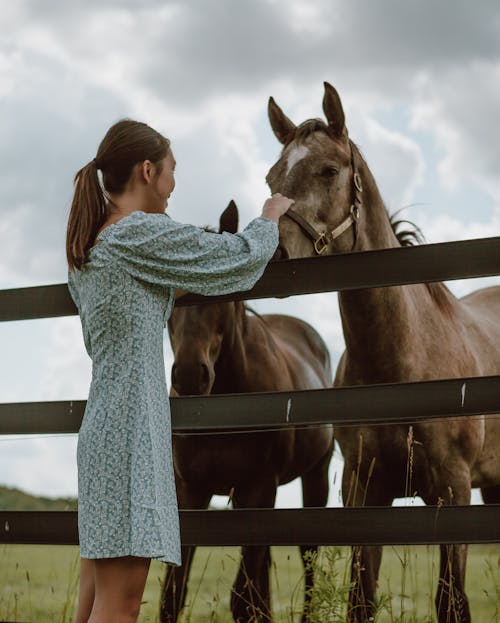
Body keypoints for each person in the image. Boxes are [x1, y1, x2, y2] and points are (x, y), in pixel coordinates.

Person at [65, 118, 293, 623]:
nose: (173, 186)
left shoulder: (93, 247)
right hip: (132, 435)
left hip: (103, 431)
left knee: (91, 601)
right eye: (171, 172)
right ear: (147, 171)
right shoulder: (139, 232)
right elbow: (235, 257)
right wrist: (270, 215)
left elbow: (156, 289)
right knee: (121, 605)